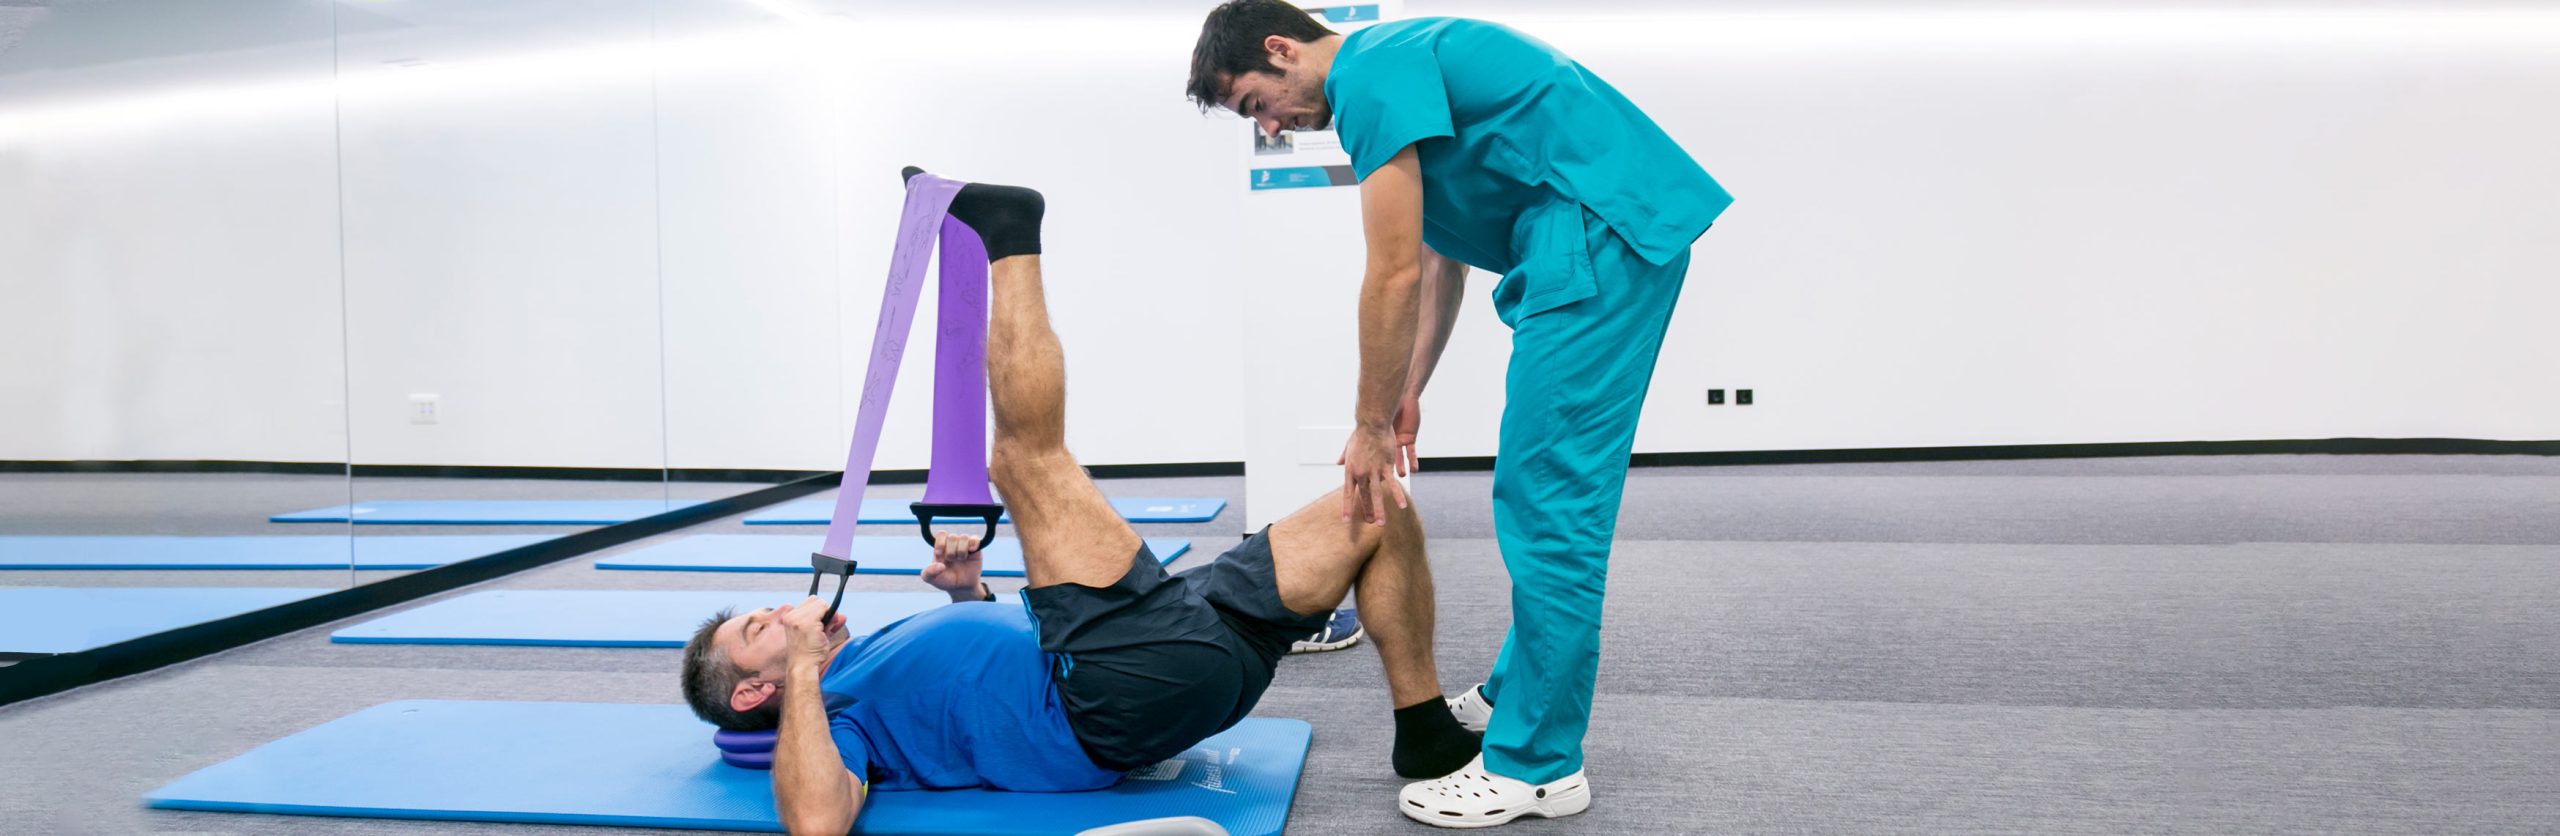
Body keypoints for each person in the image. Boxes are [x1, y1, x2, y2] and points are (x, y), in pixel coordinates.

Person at [677, 173, 1481, 835]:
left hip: (1183, 651)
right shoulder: (837, 713)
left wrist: (968, 597)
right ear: (753, 693)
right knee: (1021, 459)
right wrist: (806, 673)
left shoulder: (857, 667)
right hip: (1109, 690)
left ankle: (1424, 731)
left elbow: (970, 691)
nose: (780, 612)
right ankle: (1008, 233)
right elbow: (817, 820)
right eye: (758, 629)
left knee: (1380, 506)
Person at [1186, 1, 1735, 827]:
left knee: (1550, 502)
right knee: (1544, 492)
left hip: (1595, 235)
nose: (1272, 126)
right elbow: (1440, 258)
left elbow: (1392, 274)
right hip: (1586, 233)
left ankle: (1539, 767)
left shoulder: (1368, 76)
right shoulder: (1394, 66)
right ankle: (1516, 693)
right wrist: (1409, 387)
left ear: (1281, 50)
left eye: (1256, 103)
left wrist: (1370, 424)